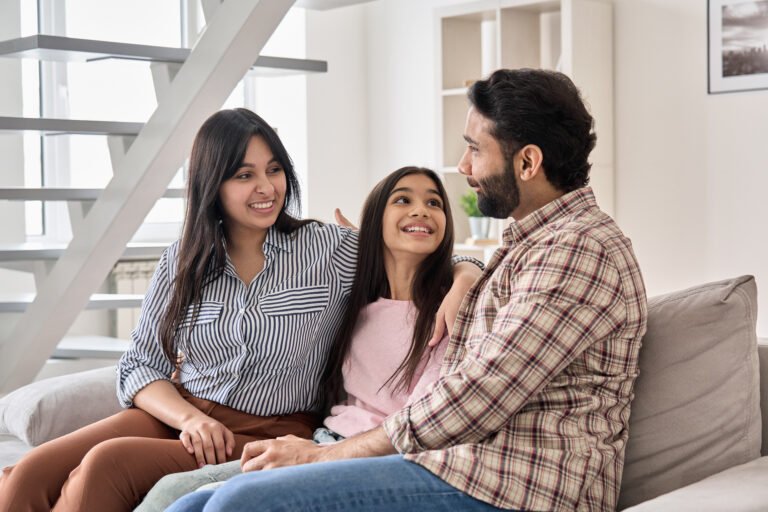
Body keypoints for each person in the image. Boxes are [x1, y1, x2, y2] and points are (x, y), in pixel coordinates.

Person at [164, 68, 648, 512]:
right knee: (187, 507)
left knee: (241, 503)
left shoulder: (580, 250)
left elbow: (478, 397)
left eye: (476, 150)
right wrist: (463, 271)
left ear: (527, 162)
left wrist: (319, 458)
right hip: (459, 468)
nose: (464, 166)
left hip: (516, 486)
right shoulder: (529, 246)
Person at [0, 110, 480, 512]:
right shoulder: (184, 258)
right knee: (28, 474)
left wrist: (466, 275)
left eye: (273, 170)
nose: (266, 187)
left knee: (107, 465)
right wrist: (189, 419)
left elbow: (411, 251)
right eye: (244, 174)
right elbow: (141, 364)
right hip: (187, 413)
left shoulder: (329, 249)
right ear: (213, 183)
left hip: (269, 423)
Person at [136, 166, 455, 511]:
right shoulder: (353, 299)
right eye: (403, 199)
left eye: (435, 203)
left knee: (220, 500)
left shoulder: (451, 313)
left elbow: (428, 422)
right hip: (323, 440)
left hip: (373, 459)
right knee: (176, 496)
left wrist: (466, 275)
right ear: (375, 222)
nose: (421, 210)